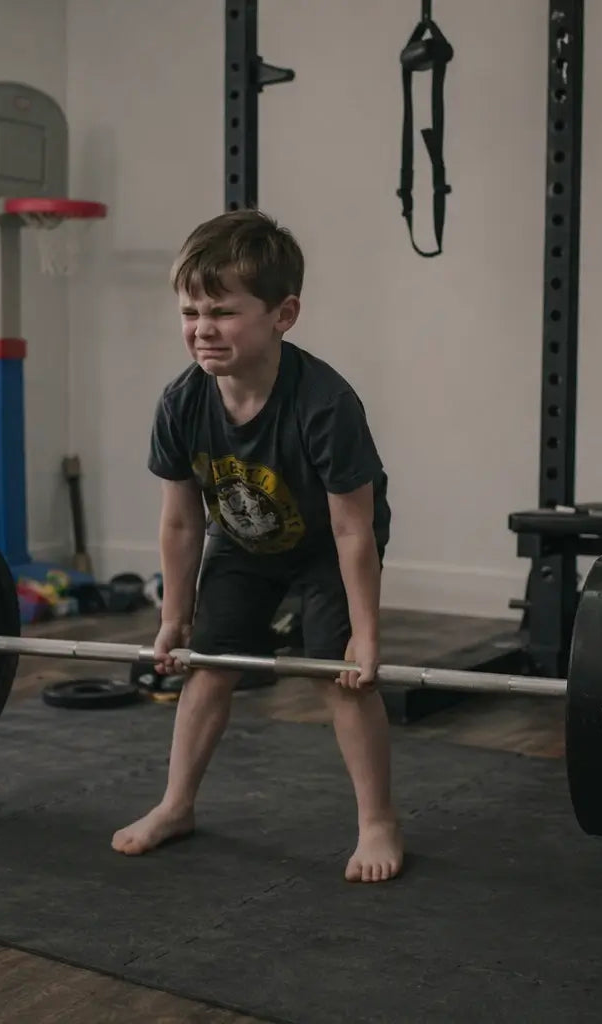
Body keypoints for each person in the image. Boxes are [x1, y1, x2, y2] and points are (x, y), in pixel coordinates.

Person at [111, 209, 402, 883]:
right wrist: (174, 617)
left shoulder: (325, 404)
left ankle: (377, 820)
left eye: (222, 311)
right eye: (190, 311)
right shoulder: (182, 403)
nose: (202, 329)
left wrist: (365, 636)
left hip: (330, 547)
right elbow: (182, 522)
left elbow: (353, 529)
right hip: (243, 542)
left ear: (284, 314)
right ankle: (176, 804)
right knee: (210, 663)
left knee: (339, 674)